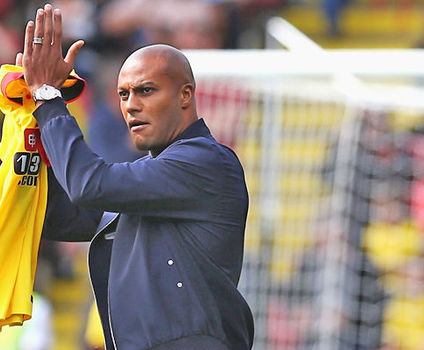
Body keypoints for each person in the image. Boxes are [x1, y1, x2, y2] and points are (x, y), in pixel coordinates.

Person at [19, 4, 254, 349]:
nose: (130, 105)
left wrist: (48, 100)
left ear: (185, 94)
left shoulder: (206, 161)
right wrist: (28, 136)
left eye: (146, 90)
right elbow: (60, 218)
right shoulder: (151, 184)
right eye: (123, 94)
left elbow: (89, 185)